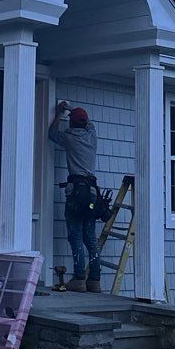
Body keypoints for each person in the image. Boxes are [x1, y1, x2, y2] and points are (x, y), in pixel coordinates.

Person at [48, 99, 102, 293]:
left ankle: (79, 279)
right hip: (92, 192)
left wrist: (60, 112)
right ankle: (94, 281)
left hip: (76, 192)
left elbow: (52, 133)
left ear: (71, 123)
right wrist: (73, 109)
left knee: (76, 235)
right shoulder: (92, 136)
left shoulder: (69, 138)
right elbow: (89, 123)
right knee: (90, 237)